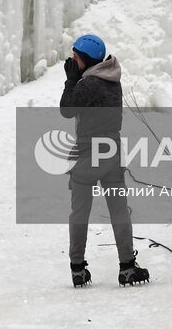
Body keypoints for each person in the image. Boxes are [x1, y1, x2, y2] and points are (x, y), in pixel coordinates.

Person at [60, 33, 149, 287]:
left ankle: (78, 268)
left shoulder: (88, 84)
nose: (73, 62)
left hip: (87, 153)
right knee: (119, 210)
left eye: (75, 58)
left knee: (80, 212)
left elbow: (67, 109)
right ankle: (127, 267)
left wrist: (70, 82)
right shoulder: (111, 79)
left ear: (85, 60)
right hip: (111, 151)